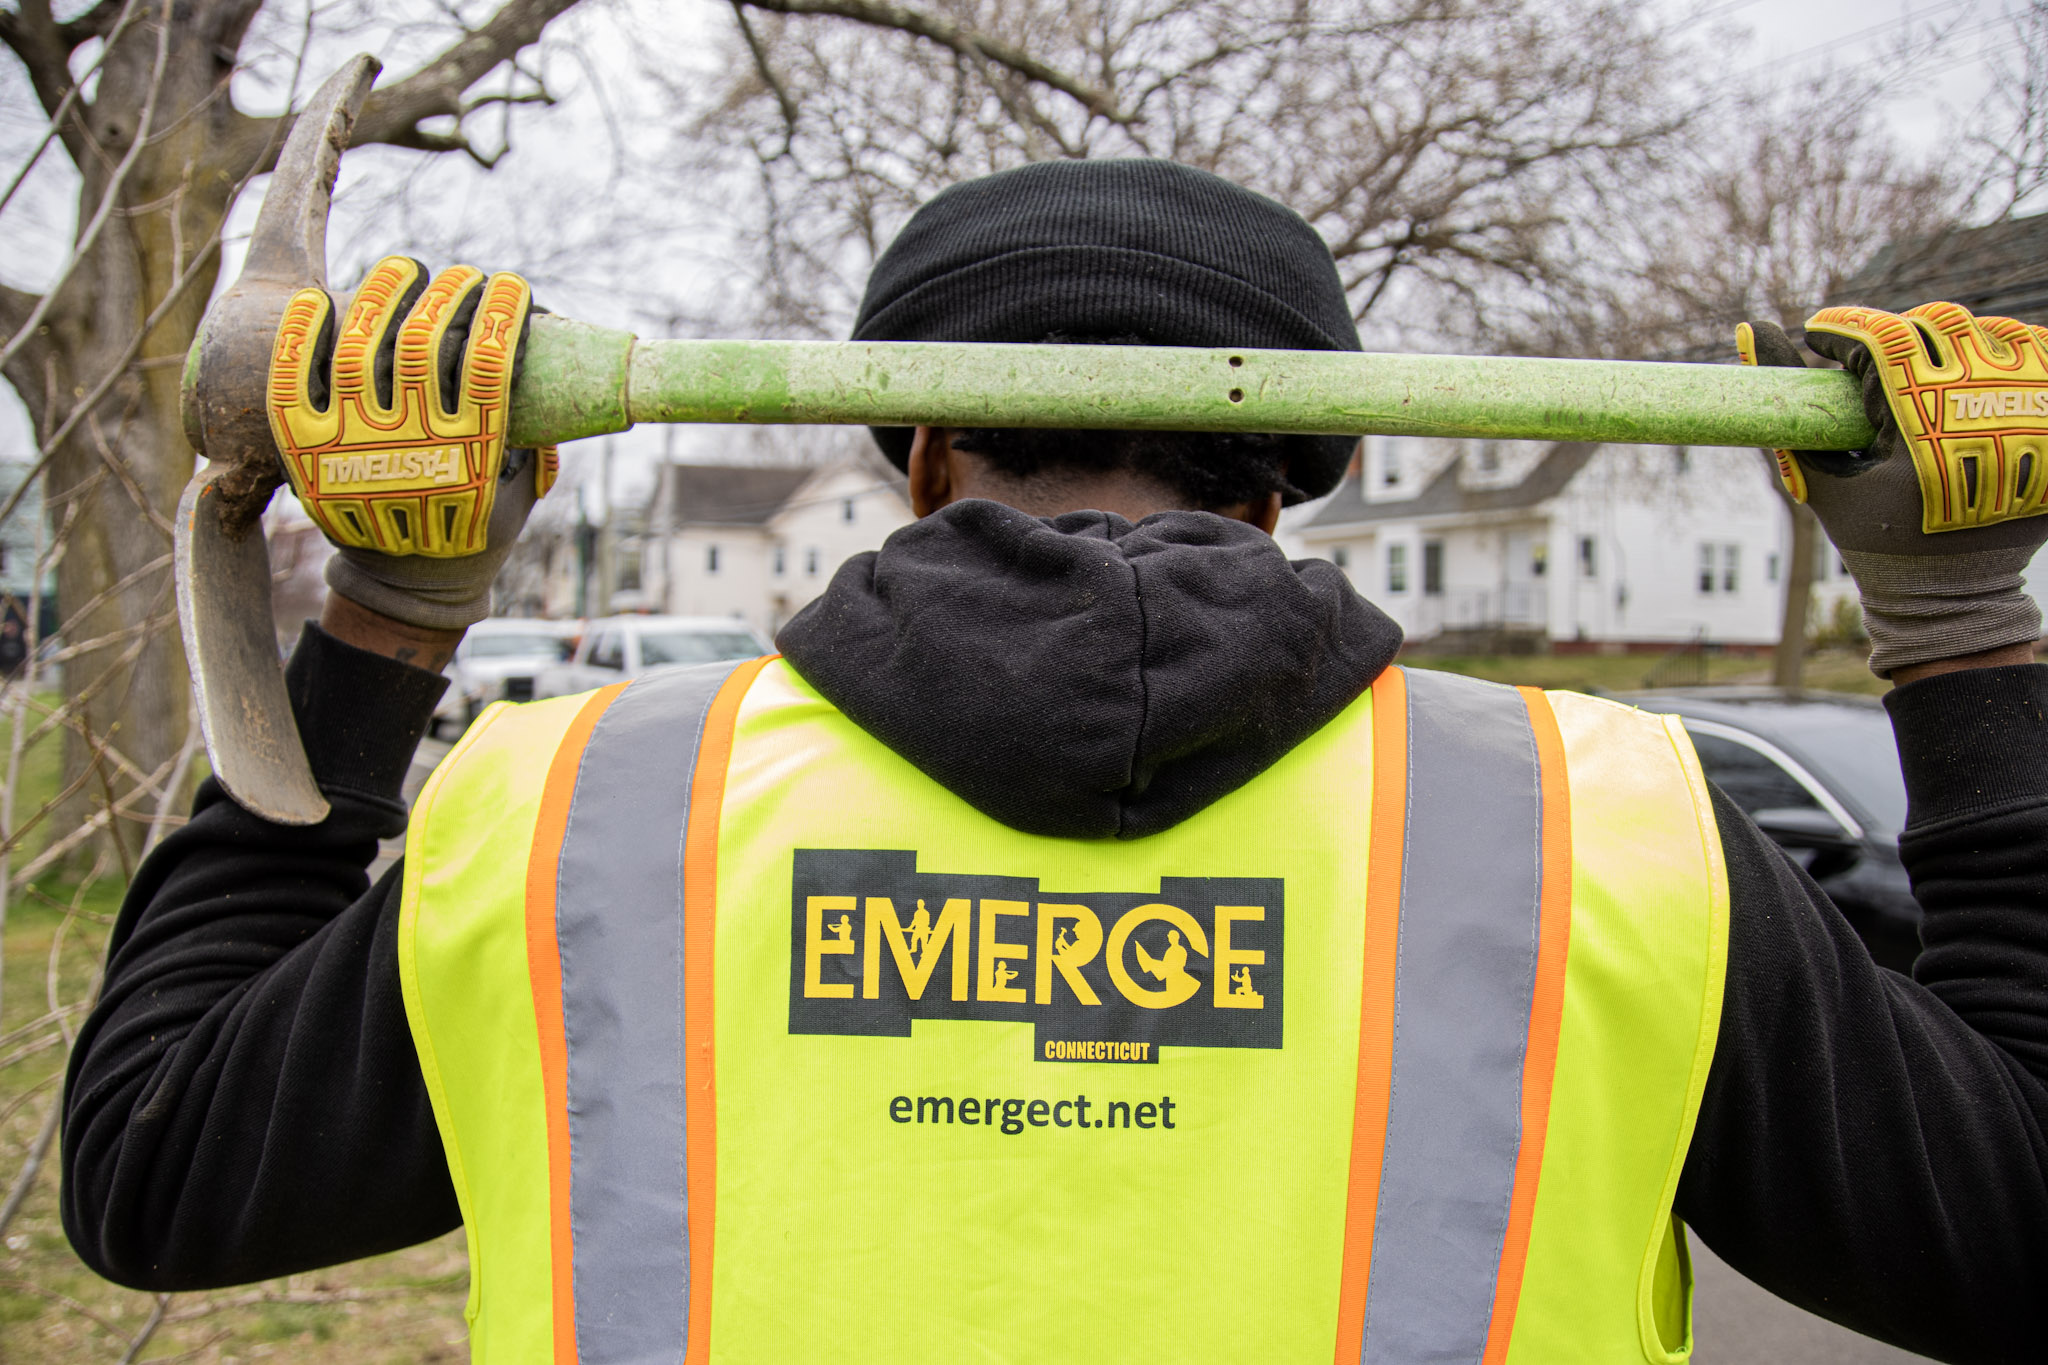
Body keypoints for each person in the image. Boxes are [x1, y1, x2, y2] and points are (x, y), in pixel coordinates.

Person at [60, 160, 2048, 1363]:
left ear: (915, 452)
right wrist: (1960, 628)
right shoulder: (1612, 829)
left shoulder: (571, 813)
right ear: (1289, 478)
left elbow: (152, 1170)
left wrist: (385, 624)